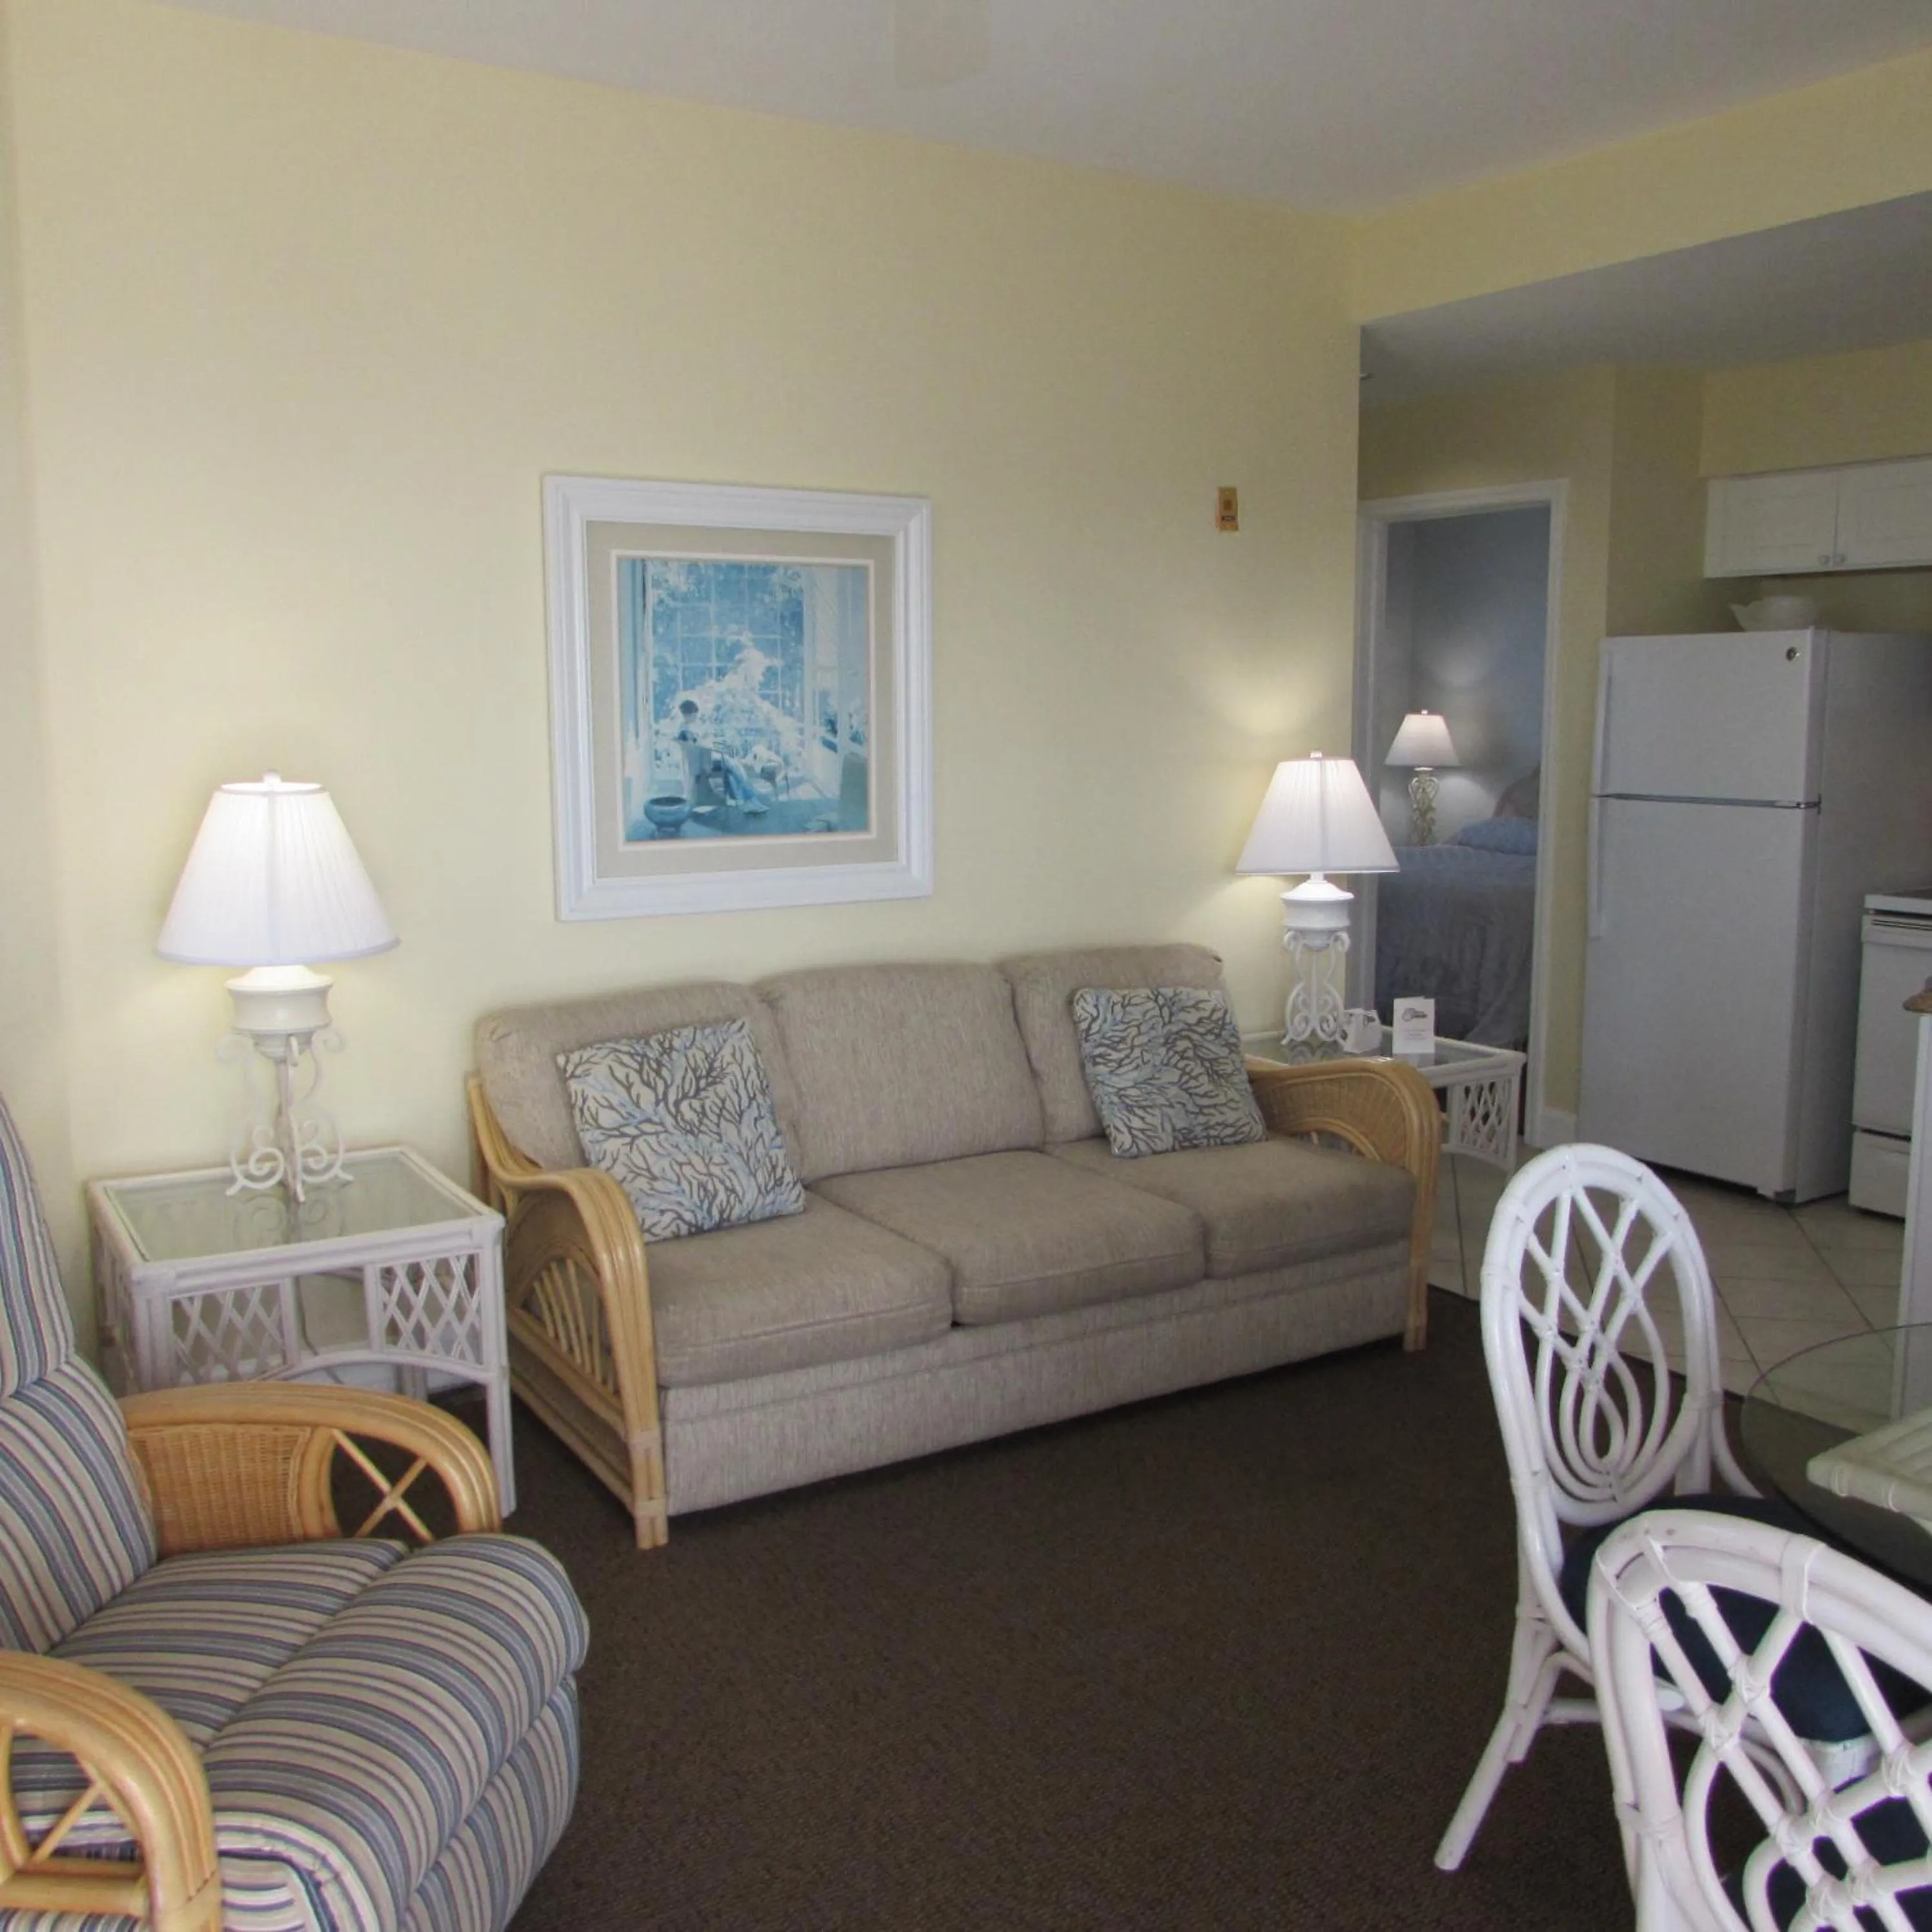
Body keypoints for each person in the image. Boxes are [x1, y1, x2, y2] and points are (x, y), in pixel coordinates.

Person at [673, 699, 766, 815]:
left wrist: (707, 740)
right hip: (703, 761)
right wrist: (708, 742)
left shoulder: (687, 727)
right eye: (694, 714)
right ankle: (749, 800)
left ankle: (747, 801)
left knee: (733, 770)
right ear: (689, 714)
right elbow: (696, 747)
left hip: (705, 757)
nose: (696, 717)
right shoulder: (685, 729)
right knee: (734, 766)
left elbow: (699, 743)